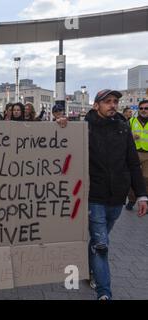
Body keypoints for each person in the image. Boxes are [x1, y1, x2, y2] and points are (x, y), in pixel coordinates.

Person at [85, 89, 147, 300]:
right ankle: (104, 293)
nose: (113, 105)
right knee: (102, 244)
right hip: (94, 195)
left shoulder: (123, 127)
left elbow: (132, 162)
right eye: (108, 101)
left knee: (99, 239)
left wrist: (141, 195)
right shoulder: (85, 128)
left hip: (117, 197)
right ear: (96, 105)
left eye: (115, 102)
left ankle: (91, 267)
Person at [126, 99, 148, 211]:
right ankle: (132, 200)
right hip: (134, 153)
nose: (143, 110)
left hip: (147, 154)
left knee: (146, 179)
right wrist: (131, 136)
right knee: (132, 177)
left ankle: (145, 201)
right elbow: (123, 135)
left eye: (146, 108)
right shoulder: (131, 121)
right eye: (141, 108)